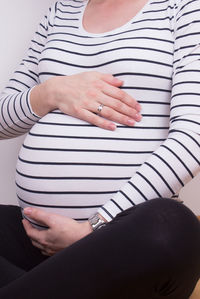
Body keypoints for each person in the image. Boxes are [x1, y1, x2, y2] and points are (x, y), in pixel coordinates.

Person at [0, 0, 200, 298]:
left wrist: (95, 227)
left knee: (171, 225)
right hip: (38, 239)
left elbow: (193, 136)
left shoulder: (184, 8)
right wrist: (51, 92)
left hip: (126, 249)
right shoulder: (60, 11)